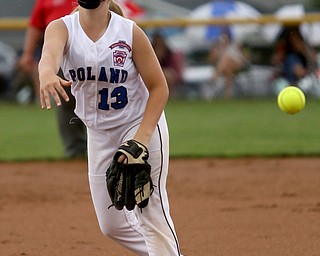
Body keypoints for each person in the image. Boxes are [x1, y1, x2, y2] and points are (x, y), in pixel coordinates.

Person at [38, 0, 182, 255]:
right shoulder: (62, 28)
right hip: (98, 133)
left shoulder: (129, 32)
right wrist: (46, 73)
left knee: (151, 212)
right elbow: (49, 54)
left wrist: (141, 140)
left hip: (138, 123)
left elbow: (159, 87)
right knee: (112, 225)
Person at [17, 0, 87, 158]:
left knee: (98, 101)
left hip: (93, 55)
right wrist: (28, 53)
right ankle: (75, 152)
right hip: (61, 57)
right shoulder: (45, 2)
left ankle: (102, 148)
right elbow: (36, 24)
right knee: (66, 102)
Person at [271, 26, 318, 93]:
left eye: (296, 38)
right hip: (290, 81)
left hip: (305, 80)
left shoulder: (305, 47)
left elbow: (314, 59)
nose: (294, 41)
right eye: (292, 38)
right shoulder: (288, 54)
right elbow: (275, 61)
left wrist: (302, 48)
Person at [209, 28, 249, 98]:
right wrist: (217, 48)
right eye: (222, 36)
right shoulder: (219, 47)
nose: (223, 38)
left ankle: (214, 79)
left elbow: (245, 56)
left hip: (239, 64)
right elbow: (211, 59)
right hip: (228, 66)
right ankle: (227, 95)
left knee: (226, 59)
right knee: (228, 69)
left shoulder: (235, 44)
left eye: (225, 36)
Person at [152, 31, 183, 97]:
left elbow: (172, 66)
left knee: (167, 75)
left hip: (165, 71)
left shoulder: (167, 51)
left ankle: (170, 95)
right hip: (153, 72)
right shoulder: (151, 50)